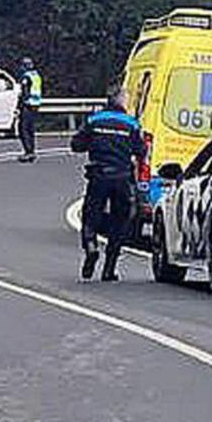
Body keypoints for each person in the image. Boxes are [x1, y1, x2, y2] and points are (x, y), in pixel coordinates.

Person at [70, 89, 147, 282]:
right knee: (120, 221)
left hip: (98, 175)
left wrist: (95, 145)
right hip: (122, 177)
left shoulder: (94, 120)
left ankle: (91, 246)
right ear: (123, 103)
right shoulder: (132, 124)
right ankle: (109, 269)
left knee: (91, 215)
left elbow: (76, 145)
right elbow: (141, 150)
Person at [17, 57, 43, 163]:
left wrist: (19, 105)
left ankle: (28, 152)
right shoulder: (36, 75)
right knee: (30, 129)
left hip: (27, 105)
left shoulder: (26, 77)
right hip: (35, 104)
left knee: (23, 129)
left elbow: (25, 92)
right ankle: (31, 151)